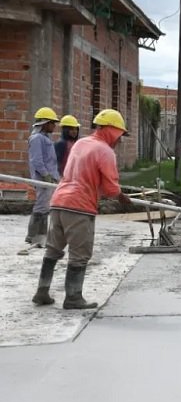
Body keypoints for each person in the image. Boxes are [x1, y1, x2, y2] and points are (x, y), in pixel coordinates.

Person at [31, 109, 131, 309]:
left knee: (53, 249)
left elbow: (87, 176)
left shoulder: (81, 144)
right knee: (79, 253)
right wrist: (122, 197)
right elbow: (111, 188)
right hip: (79, 207)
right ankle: (73, 297)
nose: (120, 141)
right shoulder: (105, 151)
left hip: (59, 202)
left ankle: (42, 292)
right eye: (119, 135)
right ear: (111, 131)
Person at [26, 107, 61, 247]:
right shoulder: (36, 139)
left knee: (46, 206)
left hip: (50, 178)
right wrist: (46, 175)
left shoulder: (45, 138)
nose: (54, 126)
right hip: (43, 179)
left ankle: (41, 237)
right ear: (45, 123)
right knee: (41, 206)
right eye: (52, 123)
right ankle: (33, 236)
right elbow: (36, 160)